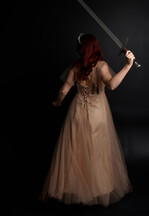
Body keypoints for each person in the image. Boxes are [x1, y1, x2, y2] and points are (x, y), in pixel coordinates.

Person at [39, 33, 135, 207]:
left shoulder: (75, 67)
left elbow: (63, 91)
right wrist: (128, 66)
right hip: (97, 112)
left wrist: (57, 102)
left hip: (76, 111)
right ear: (95, 47)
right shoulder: (101, 66)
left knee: (74, 149)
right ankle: (98, 187)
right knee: (97, 150)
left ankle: (73, 187)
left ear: (81, 49)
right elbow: (112, 85)